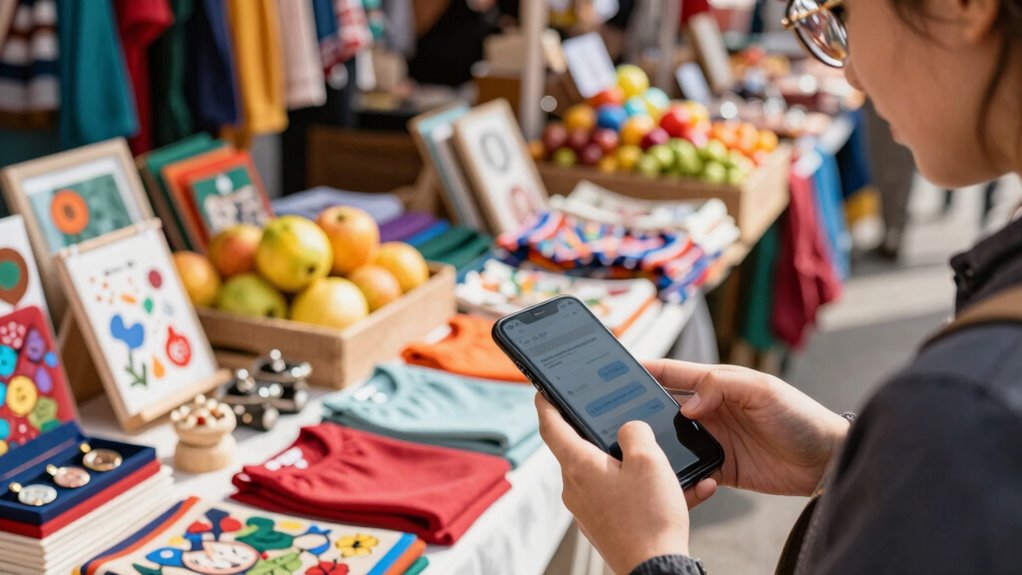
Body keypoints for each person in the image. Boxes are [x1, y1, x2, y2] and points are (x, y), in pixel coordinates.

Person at [536, 0, 1022, 573]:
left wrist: (648, 555)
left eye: (844, 14)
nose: (851, 73)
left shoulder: (966, 404)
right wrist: (852, 458)